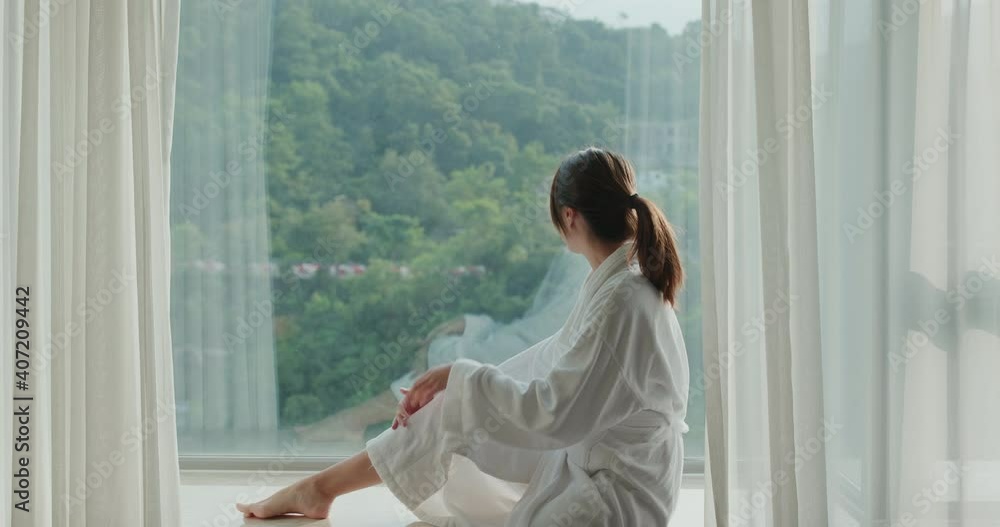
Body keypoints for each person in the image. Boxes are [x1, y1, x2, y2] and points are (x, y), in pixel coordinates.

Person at [237, 147, 691, 526]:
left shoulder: (622, 300)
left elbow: (555, 414)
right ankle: (318, 488)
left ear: (569, 217)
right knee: (450, 405)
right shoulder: (618, 286)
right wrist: (453, 385)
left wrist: (462, 379)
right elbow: (552, 361)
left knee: (463, 398)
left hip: (616, 495)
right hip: (590, 462)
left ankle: (316, 489)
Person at [294, 249, 591, 445]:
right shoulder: (579, 256)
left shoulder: (583, 262)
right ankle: (352, 423)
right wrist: (472, 324)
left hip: (544, 389)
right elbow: (537, 327)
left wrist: (442, 351)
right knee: (446, 369)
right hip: (535, 369)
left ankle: (351, 423)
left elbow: (540, 342)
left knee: (444, 370)